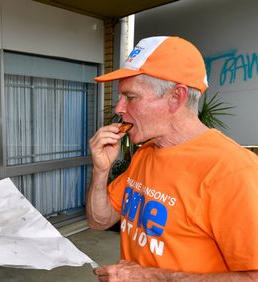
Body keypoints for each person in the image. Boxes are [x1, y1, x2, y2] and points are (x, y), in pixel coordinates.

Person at [87, 36, 258, 281]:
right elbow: (99, 221)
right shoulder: (146, 153)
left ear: (176, 97)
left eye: (131, 97)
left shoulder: (233, 171)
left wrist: (150, 277)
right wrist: (101, 170)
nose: (118, 108)